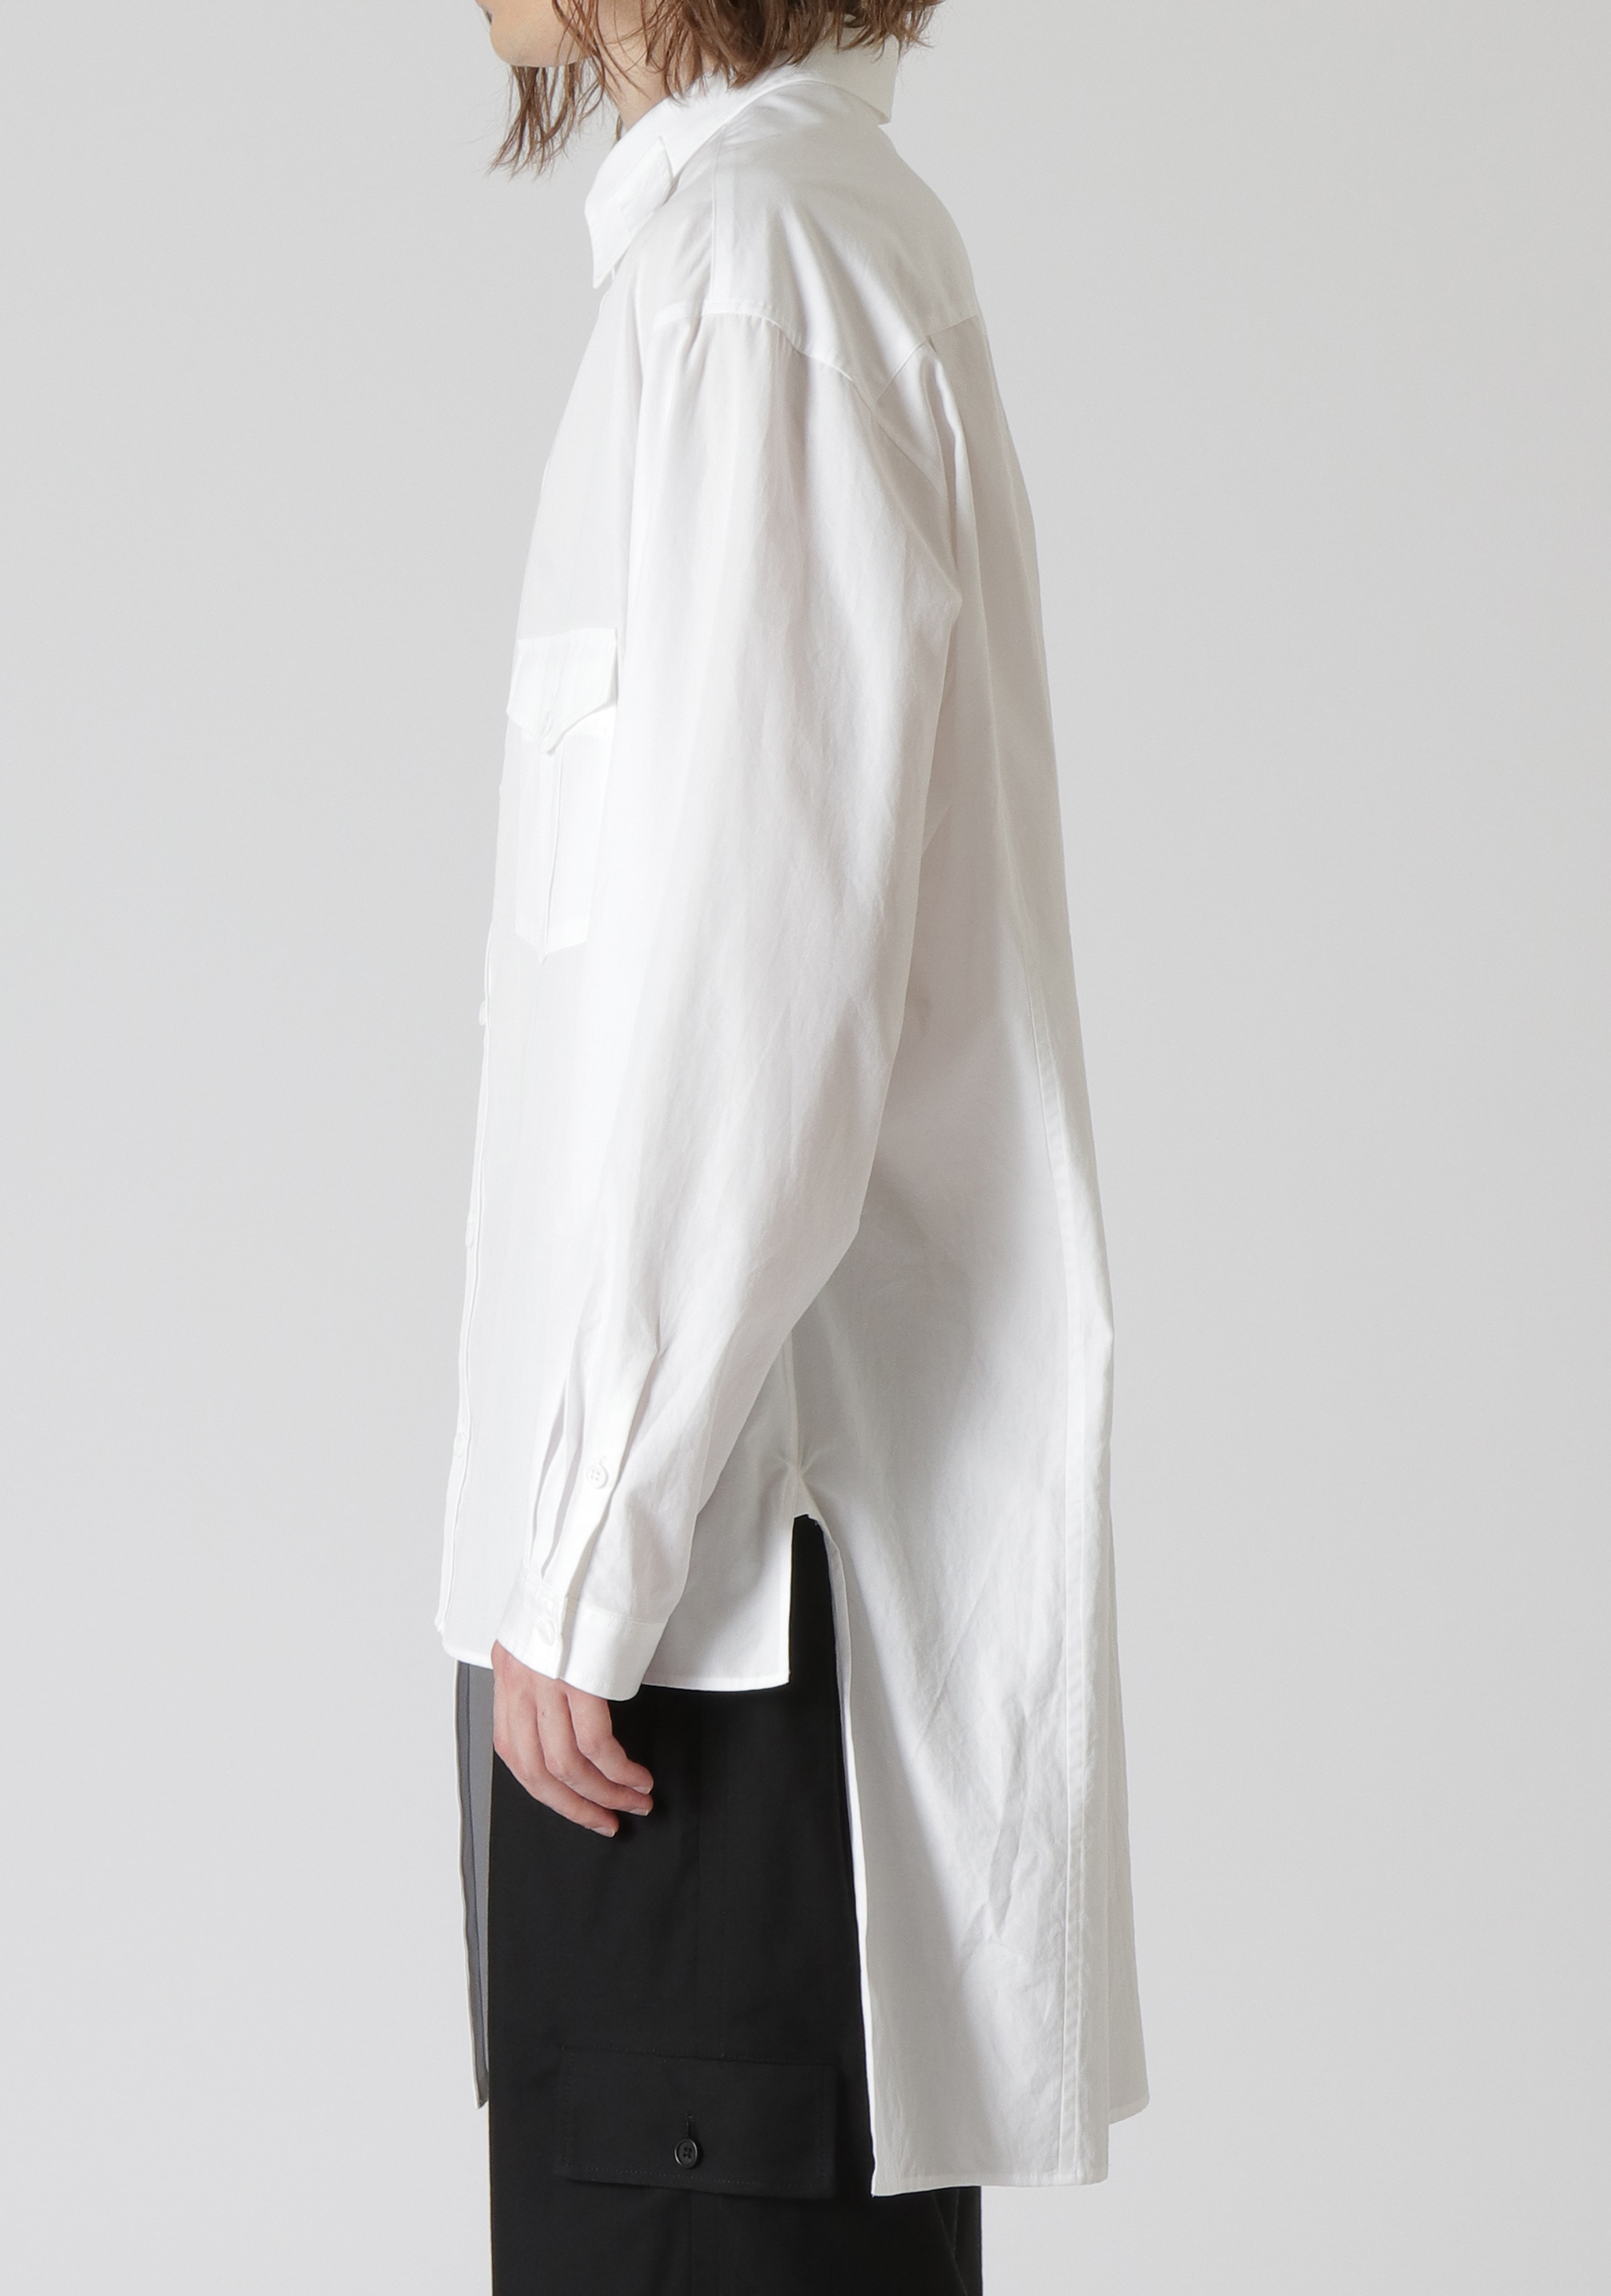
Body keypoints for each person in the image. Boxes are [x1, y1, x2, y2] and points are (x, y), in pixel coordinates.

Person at [441, 5, 1148, 2288]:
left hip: (713, 1623)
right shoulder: (757, 254)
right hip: (688, 1600)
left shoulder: (761, 273)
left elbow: (761, 988)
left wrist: (588, 1545)